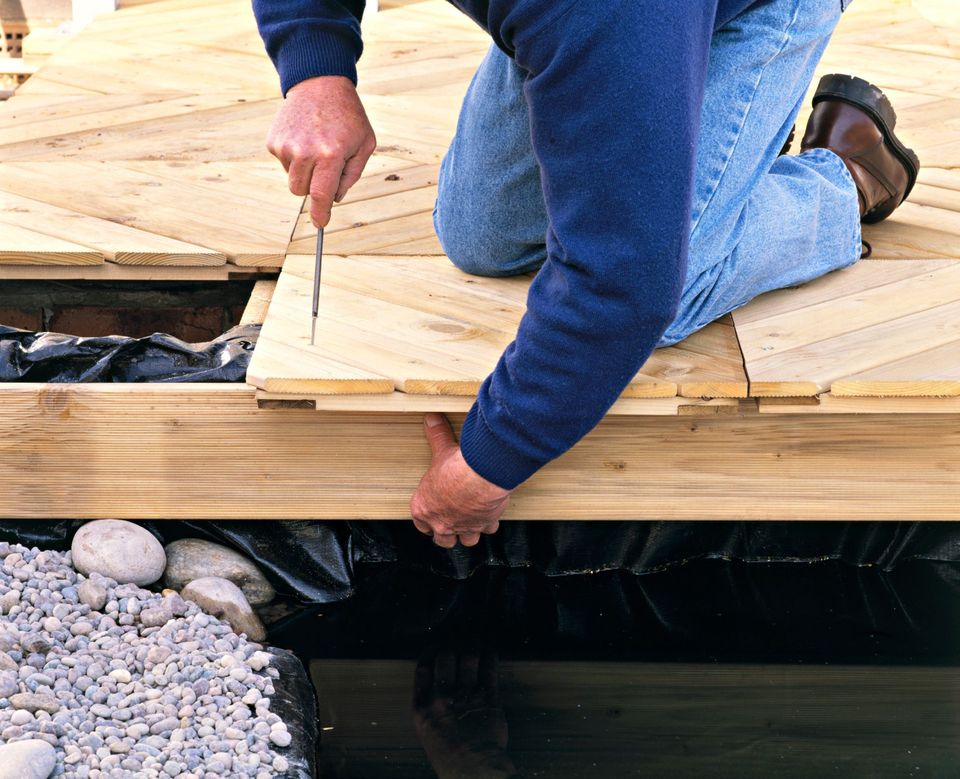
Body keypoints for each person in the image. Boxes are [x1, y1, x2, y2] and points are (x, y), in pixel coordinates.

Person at [253, 0, 919, 548]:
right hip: (601, 26)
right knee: (479, 236)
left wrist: (489, 463)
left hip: (698, 12)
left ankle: (848, 176)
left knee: (677, 281)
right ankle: (657, 112)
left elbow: (624, 283)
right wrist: (317, 69)